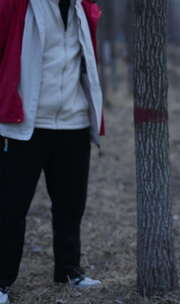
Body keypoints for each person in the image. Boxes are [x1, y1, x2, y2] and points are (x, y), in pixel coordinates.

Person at [0, 0, 105, 302]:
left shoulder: (83, 8)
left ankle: (69, 271)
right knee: (10, 208)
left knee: (71, 207)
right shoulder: (16, 5)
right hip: (25, 125)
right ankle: (2, 281)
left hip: (73, 122)